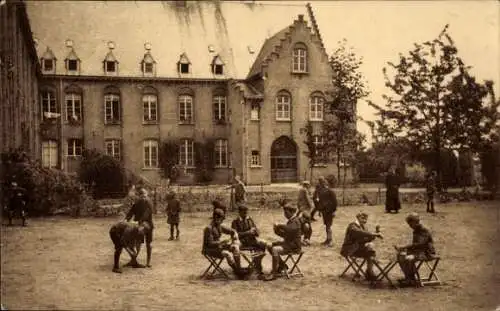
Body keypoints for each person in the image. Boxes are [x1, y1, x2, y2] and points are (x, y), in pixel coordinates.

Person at [394, 213, 436, 286]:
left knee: (408, 258)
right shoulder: (416, 230)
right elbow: (415, 246)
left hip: (426, 253)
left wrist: (404, 247)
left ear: (415, 222)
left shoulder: (424, 230)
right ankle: (409, 277)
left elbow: (420, 244)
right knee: (400, 256)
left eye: (410, 224)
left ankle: (410, 279)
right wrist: (404, 249)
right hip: (418, 252)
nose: (410, 226)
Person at [202, 208, 245, 279]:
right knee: (227, 254)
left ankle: (238, 268)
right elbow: (210, 243)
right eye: (221, 219)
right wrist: (222, 242)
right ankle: (237, 272)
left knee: (235, 248)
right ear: (216, 218)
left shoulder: (219, 226)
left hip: (218, 247)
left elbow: (231, 230)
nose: (222, 221)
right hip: (209, 249)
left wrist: (234, 233)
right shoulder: (209, 228)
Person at [340, 212, 383, 281]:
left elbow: (368, 238)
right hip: (349, 249)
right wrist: (374, 234)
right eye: (362, 218)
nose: (364, 221)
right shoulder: (352, 226)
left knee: (371, 252)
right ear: (358, 218)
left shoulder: (363, 226)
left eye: (366, 219)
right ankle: (369, 272)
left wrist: (376, 232)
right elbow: (360, 233)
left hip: (357, 248)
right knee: (370, 251)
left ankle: (369, 271)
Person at [264, 203, 302, 281]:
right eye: (284, 212)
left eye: (286, 212)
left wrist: (280, 225)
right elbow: (285, 235)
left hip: (294, 246)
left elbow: (289, 229)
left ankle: (274, 274)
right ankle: (282, 266)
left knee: (275, 249)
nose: (285, 214)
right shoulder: (290, 221)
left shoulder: (296, 221)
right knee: (269, 245)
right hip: (288, 244)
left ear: (292, 212)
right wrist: (276, 231)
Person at [231, 204, 269, 278]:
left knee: (264, 243)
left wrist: (256, 232)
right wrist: (248, 232)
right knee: (235, 246)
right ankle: (239, 270)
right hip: (241, 242)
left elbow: (257, 232)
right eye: (244, 212)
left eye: (246, 212)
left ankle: (257, 265)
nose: (246, 214)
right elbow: (234, 235)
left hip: (251, 241)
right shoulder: (235, 222)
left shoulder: (250, 220)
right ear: (240, 212)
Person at [125, 188, 154, 268]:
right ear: (139, 196)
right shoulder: (138, 202)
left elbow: (147, 213)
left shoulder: (148, 202)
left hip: (146, 225)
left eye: (144, 196)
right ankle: (133, 260)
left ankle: (147, 262)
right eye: (142, 196)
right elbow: (131, 212)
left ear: (146, 195)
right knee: (137, 243)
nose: (143, 198)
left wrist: (139, 221)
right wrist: (126, 220)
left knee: (148, 243)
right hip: (140, 225)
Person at [315, 176, 338, 246]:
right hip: (324, 211)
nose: (321, 183)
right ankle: (328, 239)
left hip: (329, 211)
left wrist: (334, 211)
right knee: (327, 225)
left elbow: (335, 202)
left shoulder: (330, 191)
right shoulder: (321, 191)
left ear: (325, 182)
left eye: (322, 182)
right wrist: (319, 211)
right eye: (320, 182)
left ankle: (330, 240)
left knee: (328, 226)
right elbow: (320, 202)